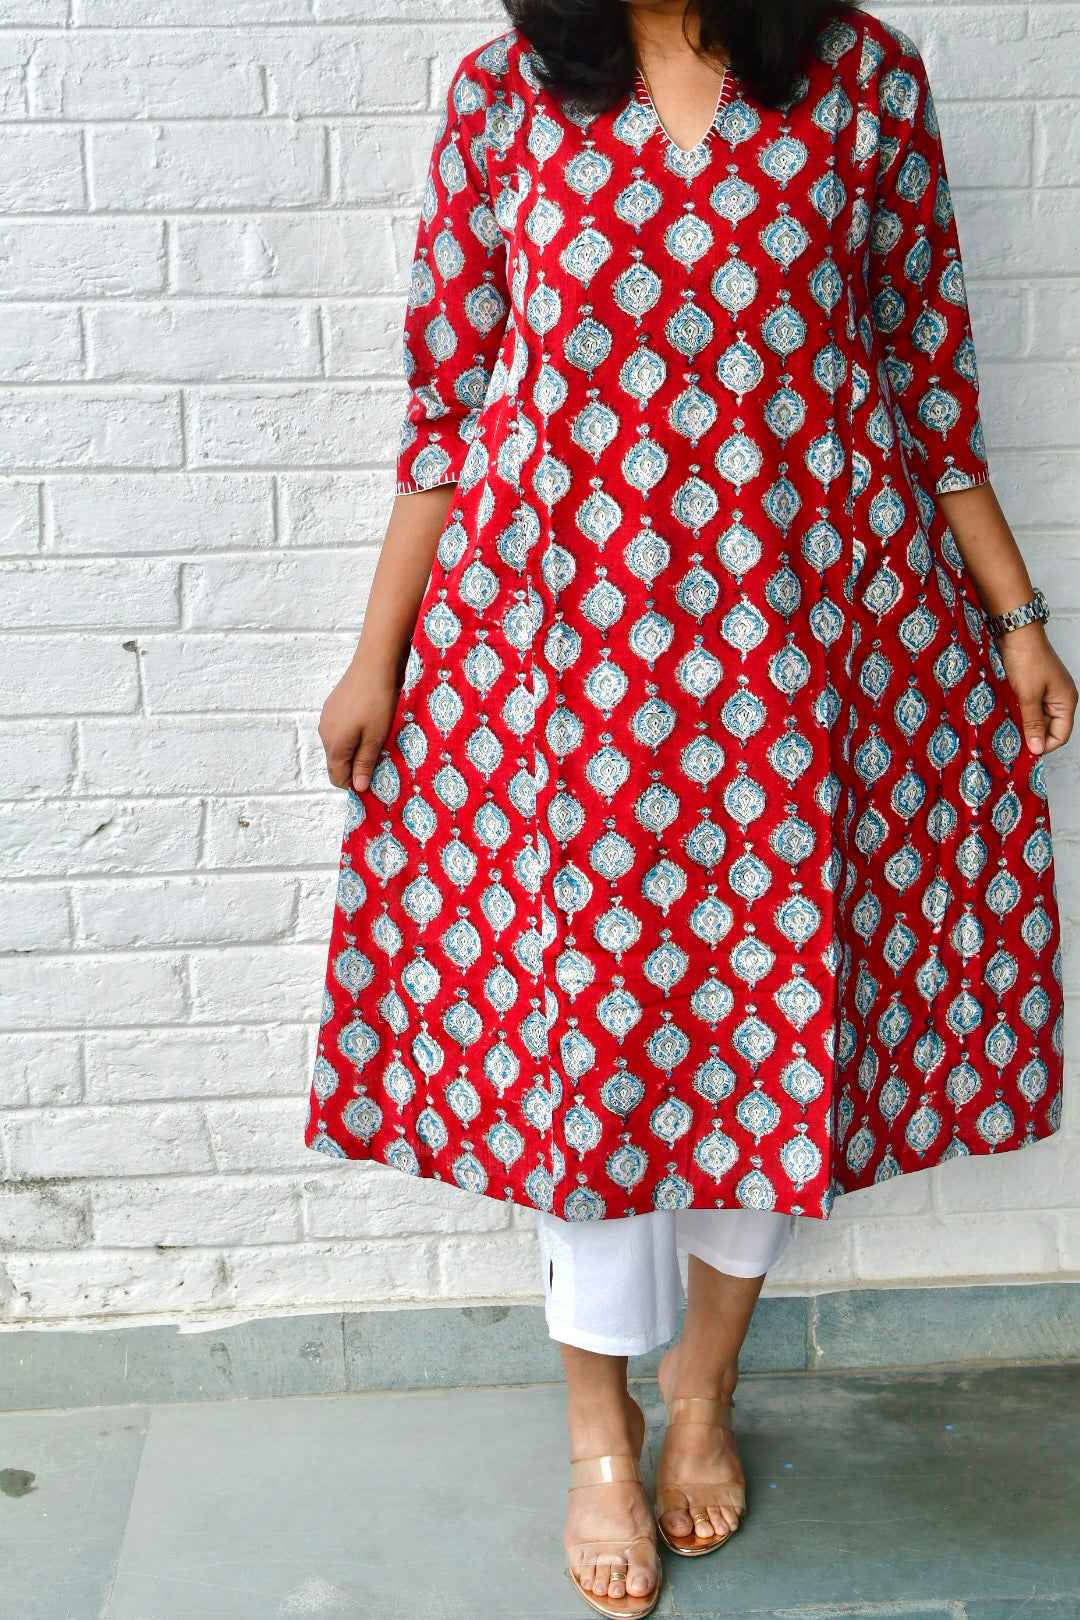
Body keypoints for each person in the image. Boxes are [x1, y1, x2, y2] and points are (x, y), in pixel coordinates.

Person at [306, 2, 1075, 1613]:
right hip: (560, 659)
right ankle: (598, 1426)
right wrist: (377, 654)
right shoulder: (507, 96)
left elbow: (928, 386)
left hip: (805, 647)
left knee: (775, 1017)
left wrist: (1016, 618)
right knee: (590, 1050)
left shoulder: (863, 80)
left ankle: (703, 1392)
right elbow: (451, 408)